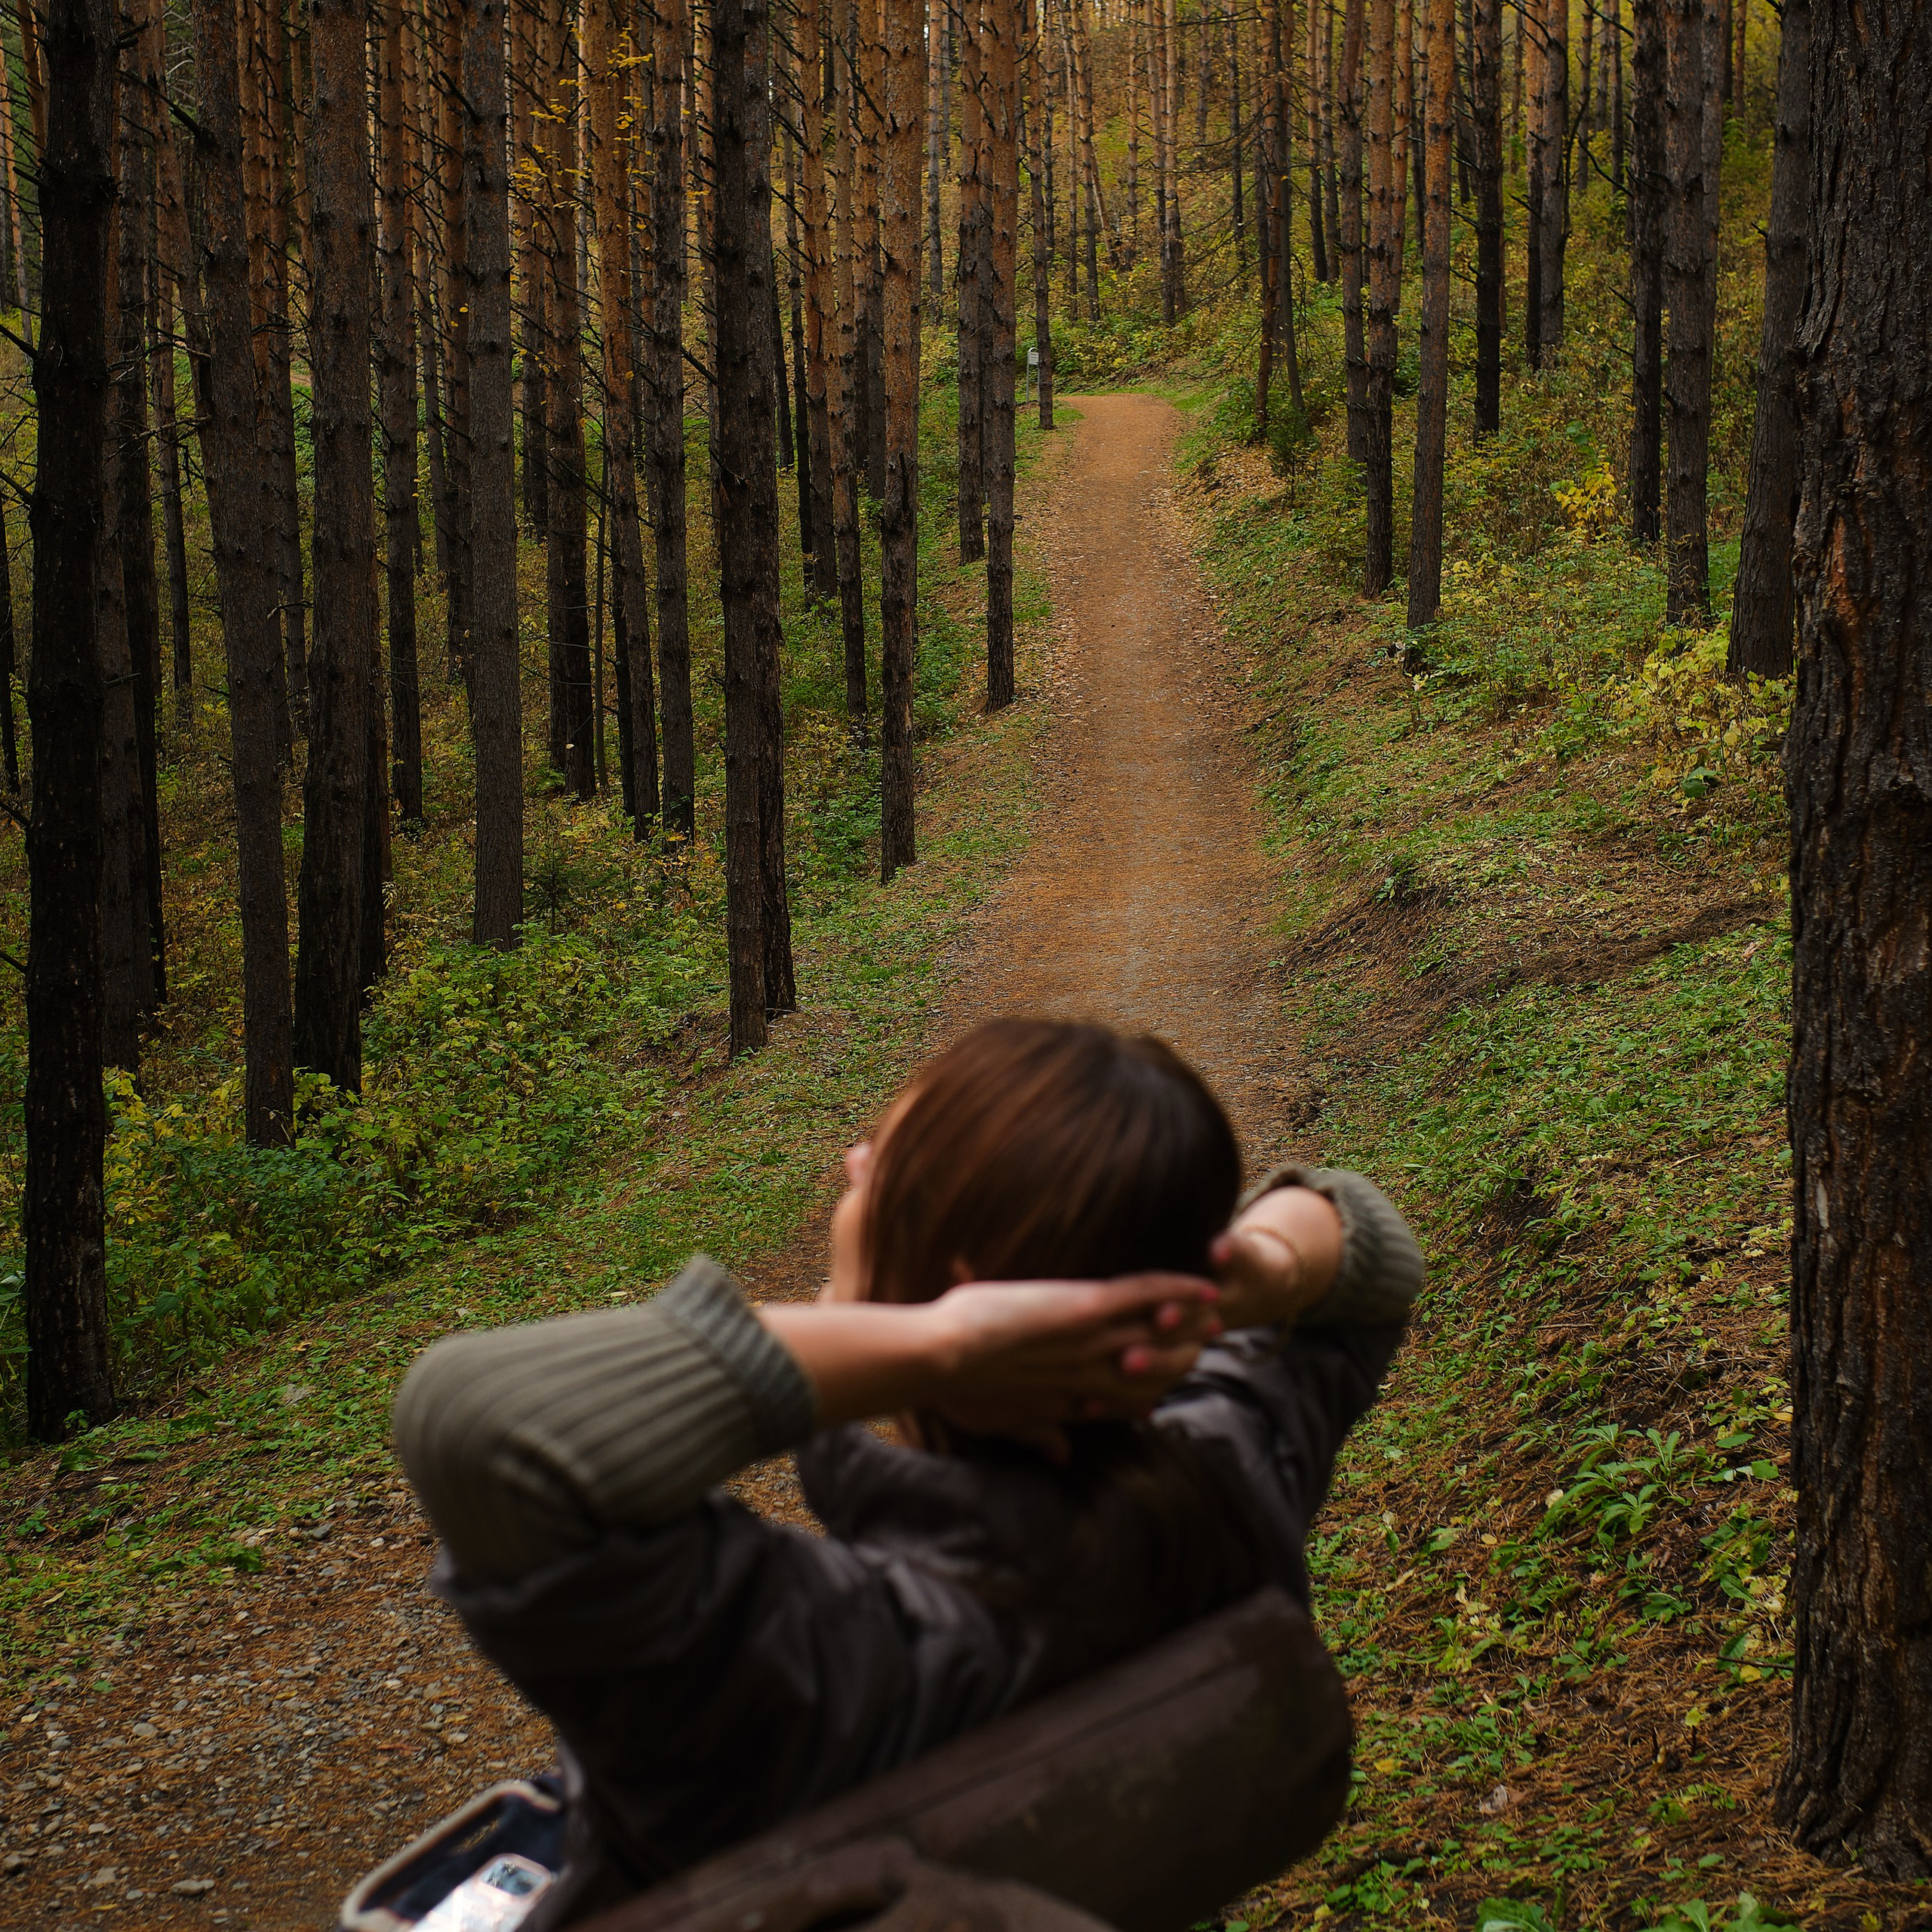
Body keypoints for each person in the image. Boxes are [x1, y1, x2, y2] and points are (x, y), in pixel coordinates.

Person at [392, 1020, 1423, 1921]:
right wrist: (1257, 1275)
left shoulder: (831, 1670)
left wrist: (934, 1344)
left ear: (959, 1289)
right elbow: (1367, 1236)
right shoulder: (1228, 1478)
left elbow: (477, 1422)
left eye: (879, 1164)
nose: (851, 1162)